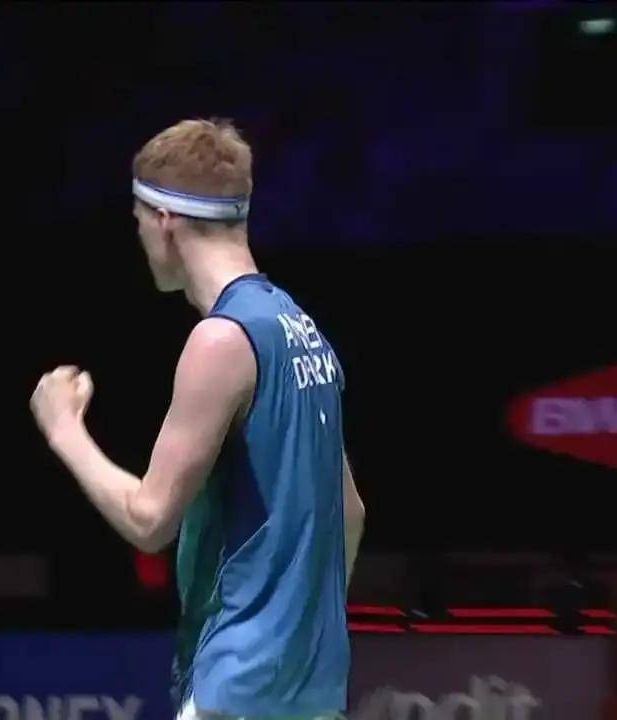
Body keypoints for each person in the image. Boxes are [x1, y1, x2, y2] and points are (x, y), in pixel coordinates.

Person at [30, 118, 366, 720]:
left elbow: (149, 520)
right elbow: (351, 513)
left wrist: (65, 430)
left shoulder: (222, 340)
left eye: (138, 221)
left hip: (238, 686)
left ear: (164, 220)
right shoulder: (301, 329)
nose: (139, 238)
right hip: (312, 688)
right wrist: (295, 631)